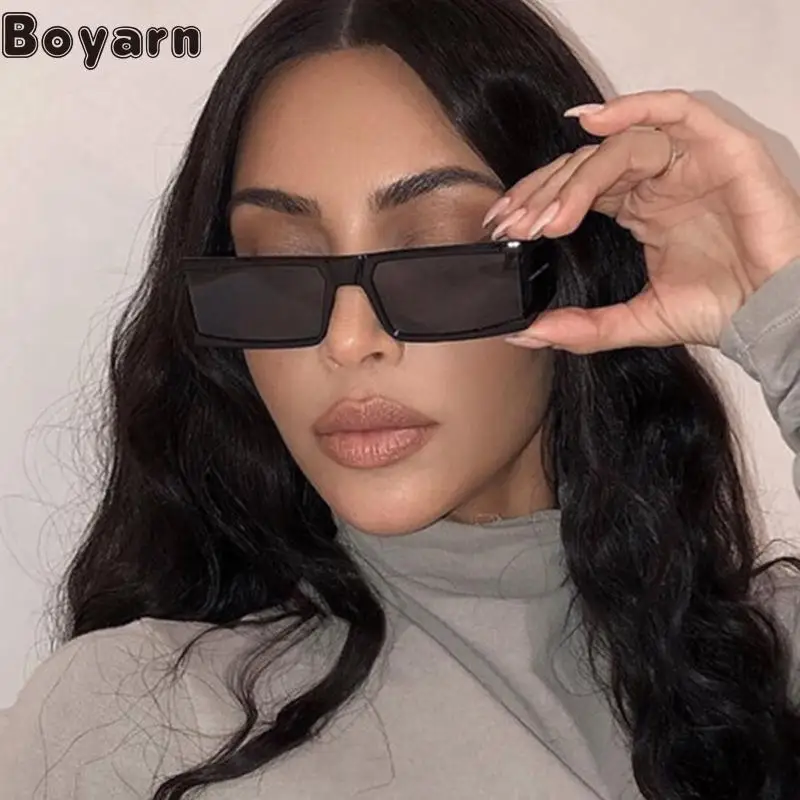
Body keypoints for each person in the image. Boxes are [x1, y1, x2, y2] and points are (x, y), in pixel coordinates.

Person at [1, 0, 799, 797]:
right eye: (281, 264)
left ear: (574, 264)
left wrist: (782, 300)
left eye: (438, 253)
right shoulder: (131, 722)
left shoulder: (770, 666)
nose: (349, 340)